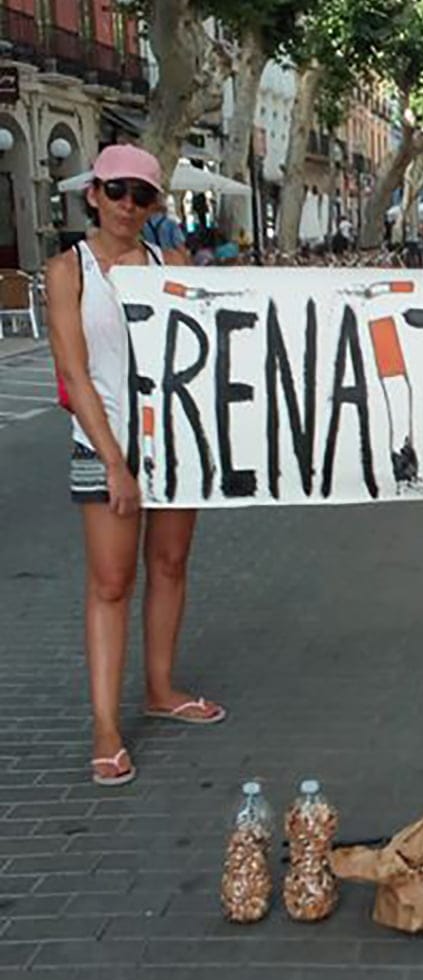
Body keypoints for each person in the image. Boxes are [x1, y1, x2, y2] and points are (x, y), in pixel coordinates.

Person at [47, 145, 226, 786]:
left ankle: (160, 688)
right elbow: (73, 371)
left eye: (142, 196)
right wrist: (114, 463)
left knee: (171, 565)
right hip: (105, 447)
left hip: (174, 447)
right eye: (117, 191)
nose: (128, 205)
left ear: (156, 206)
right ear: (93, 193)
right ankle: (105, 726)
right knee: (111, 583)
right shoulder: (67, 270)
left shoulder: (168, 262)